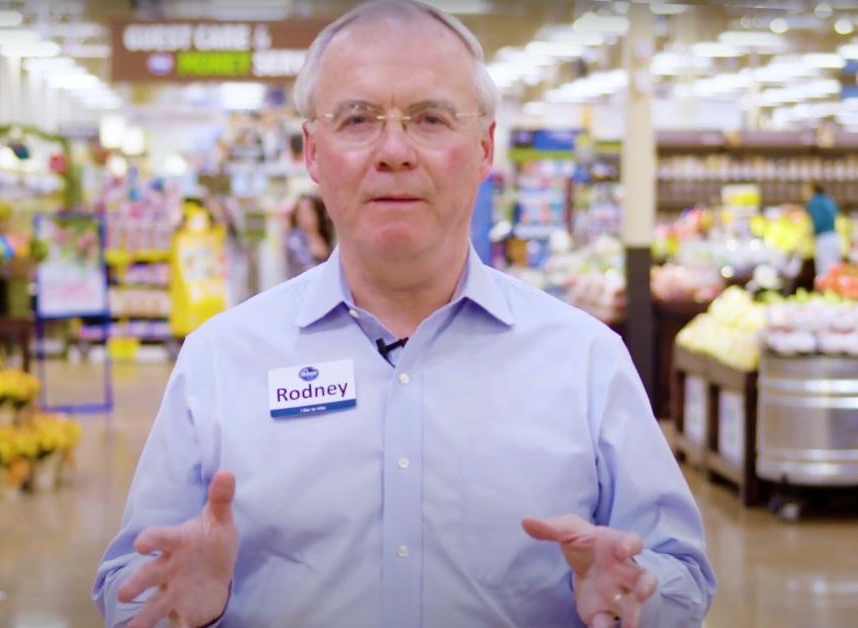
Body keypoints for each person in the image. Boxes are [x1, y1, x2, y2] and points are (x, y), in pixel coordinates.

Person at [93, 3, 714, 627]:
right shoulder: (221, 358)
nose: (394, 151)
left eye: (431, 118)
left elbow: (680, 573)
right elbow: (129, 587)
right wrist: (191, 608)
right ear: (312, 151)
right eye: (358, 118)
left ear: (483, 147)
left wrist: (640, 593)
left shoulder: (586, 360)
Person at [285, 193, 334, 277]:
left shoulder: (325, 236)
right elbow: (305, 268)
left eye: (308, 210)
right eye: (301, 211)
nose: (304, 216)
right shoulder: (294, 239)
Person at [805, 181, 841, 277]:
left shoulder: (815, 202)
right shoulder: (828, 199)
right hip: (835, 237)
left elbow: (817, 222)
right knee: (835, 270)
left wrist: (808, 235)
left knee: (824, 272)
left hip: (824, 239)